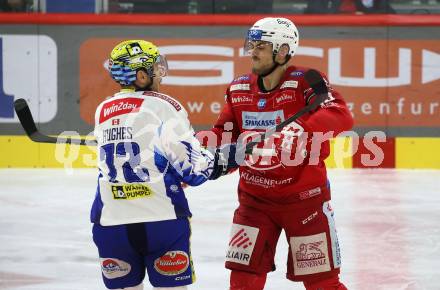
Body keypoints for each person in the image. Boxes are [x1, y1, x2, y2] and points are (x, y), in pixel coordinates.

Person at [197, 17, 354, 290]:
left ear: (283, 51)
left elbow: (340, 114)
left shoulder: (307, 80)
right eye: (251, 44)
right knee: (243, 283)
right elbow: (224, 135)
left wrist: (300, 129)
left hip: (306, 204)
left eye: (261, 46)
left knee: (323, 284)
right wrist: (201, 153)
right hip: (254, 204)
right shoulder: (238, 88)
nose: (252, 52)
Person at [91, 39, 229, 290]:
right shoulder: (164, 106)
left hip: (111, 223)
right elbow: (196, 171)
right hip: (161, 220)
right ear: (142, 75)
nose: (160, 74)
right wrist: (226, 159)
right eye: (155, 67)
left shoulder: (102, 109)